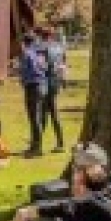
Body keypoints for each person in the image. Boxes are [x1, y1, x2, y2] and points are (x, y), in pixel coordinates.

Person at [17, 29, 48, 157]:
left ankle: (37, 148)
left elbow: (24, 71)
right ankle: (35, 145)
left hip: (32, 87)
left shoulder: (26, 53)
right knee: (37, 118)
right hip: (42, 85)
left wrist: (20, 76)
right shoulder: (39, 53)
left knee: (34, 118)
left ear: (24, 42)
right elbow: (44, 67)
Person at [41, 25, 67, 153]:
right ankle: (38, 138)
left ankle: (59, 142)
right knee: (46, 112)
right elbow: (63, 65)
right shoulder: (59, 48)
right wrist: (63, 80)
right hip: (56, 82)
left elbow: (43, 66)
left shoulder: (44, 49)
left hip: (47, 82)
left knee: (49, 113)